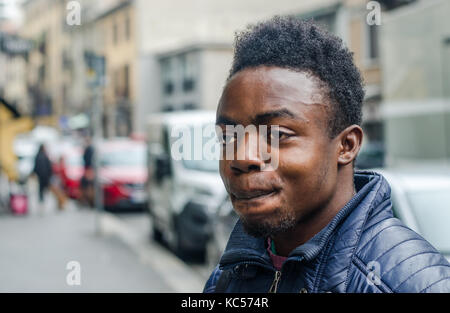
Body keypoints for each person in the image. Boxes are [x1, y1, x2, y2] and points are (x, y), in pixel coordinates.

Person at [204, 16, 450, 293]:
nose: (240, 158)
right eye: (228, 137)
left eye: (278, 135)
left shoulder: (412, 284)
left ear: (346, 145)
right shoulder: (227, 277)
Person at [33, 144, 53, 208]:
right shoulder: (45, 156)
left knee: (41, 188)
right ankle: (44, 200)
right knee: (46, 188)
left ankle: (41, 200)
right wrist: (50, 174)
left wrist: (35, 173)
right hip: (45, 175)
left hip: (40, 175)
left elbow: (35, 166)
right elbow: (49, 166)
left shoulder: (37, 156)